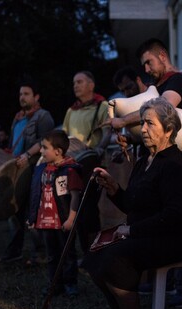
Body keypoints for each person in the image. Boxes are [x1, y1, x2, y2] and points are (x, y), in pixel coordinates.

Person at [83, 97, 182, 309]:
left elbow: (175, 215)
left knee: (118, 256)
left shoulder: (173, 163)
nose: (144, 128)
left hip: (181, 235)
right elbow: (133, 205)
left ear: (169, 129)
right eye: (142, 123)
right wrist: (114, 189)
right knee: (94, 255)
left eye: (150, 123)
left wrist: (132, 231)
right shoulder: (144, 161)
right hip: (155, 230)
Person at [0, 81, 55, 265]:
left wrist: (27, 154)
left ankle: (41, 253)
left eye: (26, 94)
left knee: (34, 211)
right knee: (15, 211)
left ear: (36, 96)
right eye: (21, 94)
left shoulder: (43, 116)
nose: (22, 97)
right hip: (17, 169)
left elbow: (46, 141)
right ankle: (15, 251)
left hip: (33, 168)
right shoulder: (18, 118)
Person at [27, 130, 83, 296]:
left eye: (45, 148)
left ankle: (70, 283)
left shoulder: (70, 170)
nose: (41, 151)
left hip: (63, 222)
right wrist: (33, 217)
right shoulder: (42, 170)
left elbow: (74, 196)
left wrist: (71, 219)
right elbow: (36, 194)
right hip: (46, 221)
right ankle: (55, 285)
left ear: (57, 151)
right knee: (52, 255)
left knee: (68, 254)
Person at [62, 70, 111, 252]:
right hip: (73, 165)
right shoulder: (71, 110)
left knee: (88, 207)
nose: (76, 85)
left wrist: (99, 148)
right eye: (74, 82)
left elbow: (108, 132)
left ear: (91, 85)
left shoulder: (102, 106)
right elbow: (64, 137)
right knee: (76, 207)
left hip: (92, 164)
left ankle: (95, 250)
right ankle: (86, 252)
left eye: (80, 82)